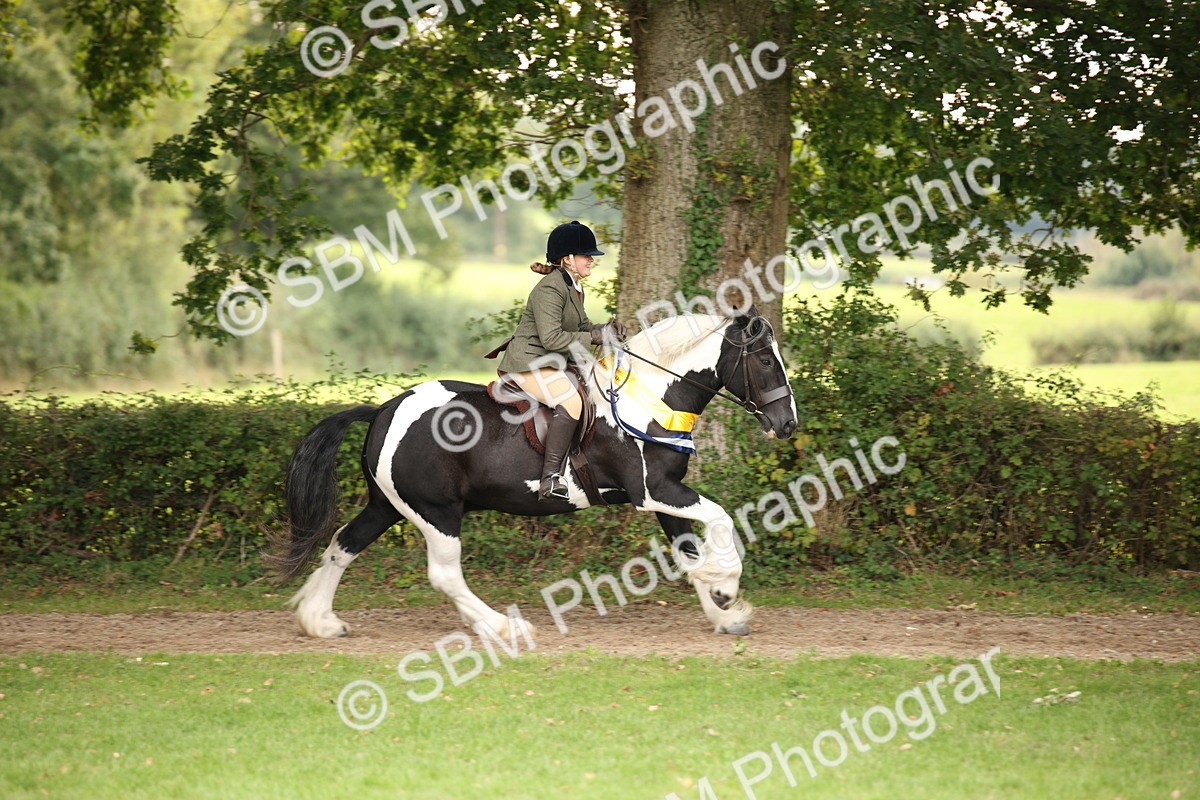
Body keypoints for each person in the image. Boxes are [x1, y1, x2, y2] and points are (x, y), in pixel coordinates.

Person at [490, 221, 625, 501]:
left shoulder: (574, 286)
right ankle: (550, 478)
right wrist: (597, 337)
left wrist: (605, 330)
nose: (591, 260)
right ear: (568, 259)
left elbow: (583, 325)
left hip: (550, 361)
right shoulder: (549, 289)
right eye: (586, 255)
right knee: (571, 401)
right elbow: (552, 338)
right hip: (527, 362)